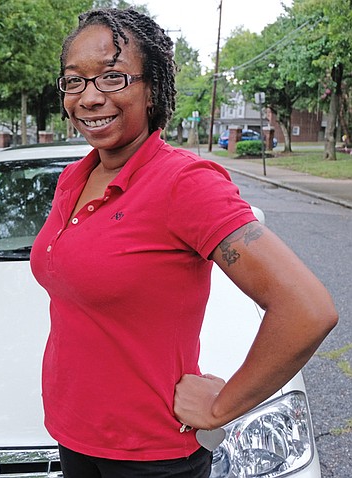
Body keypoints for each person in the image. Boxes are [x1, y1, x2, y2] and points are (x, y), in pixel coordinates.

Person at [29, 7, 338, 478]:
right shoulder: (76, 177)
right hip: (75, 434)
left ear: (152, 88)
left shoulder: (183, 183)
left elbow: (307, 308)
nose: (89, 98)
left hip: (151, 456)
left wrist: (221, 407)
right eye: (74, 81)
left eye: (112, 77)